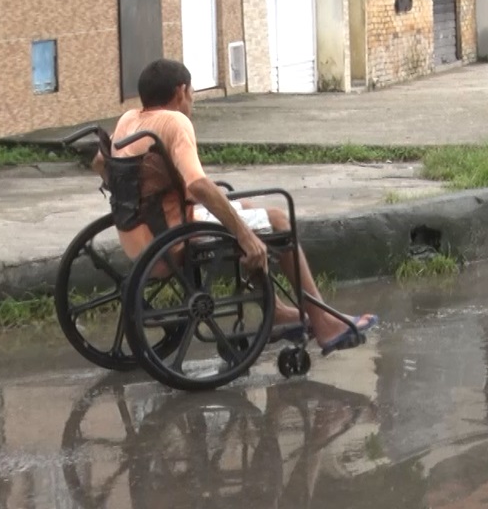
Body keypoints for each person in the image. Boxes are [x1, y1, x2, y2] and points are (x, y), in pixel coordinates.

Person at [92, 58, 377, 356]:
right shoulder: (175, 123)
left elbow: (100, 162)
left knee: (243, 205)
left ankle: (277, 310)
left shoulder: (129, 120)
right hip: (172, 239)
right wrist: (244, 236)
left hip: (139, 236)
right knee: (278, 219)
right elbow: (197, 186)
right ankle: (324, 323)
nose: (191, 102)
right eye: (191, 95)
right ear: (181, 92)